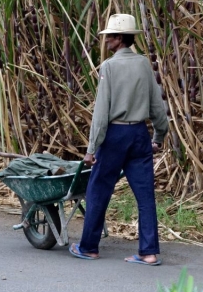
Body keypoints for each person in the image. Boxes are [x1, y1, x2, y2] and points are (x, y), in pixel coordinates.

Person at [69, 14, 168, 266]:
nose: (107, 40)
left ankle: (89, 247)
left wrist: (92, 149)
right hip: (139, 135)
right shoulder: (144, 64)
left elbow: (101, 113)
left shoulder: (109, 67)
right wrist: (158, 135)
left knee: (98, 190)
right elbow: (157, 105)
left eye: (111, 36)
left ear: (121, 38)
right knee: (145, 195)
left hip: (114, 135)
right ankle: (149, 252)